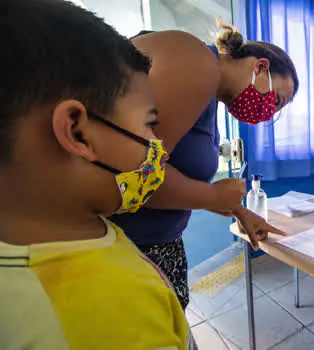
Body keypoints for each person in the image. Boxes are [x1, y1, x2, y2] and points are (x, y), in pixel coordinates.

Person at [0, 0, 194, 348]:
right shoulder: (113, 312)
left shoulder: (82, 227)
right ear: (77, 131)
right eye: (150, 124)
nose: (158, 149)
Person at [110, 22, 299, 309]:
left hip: (158, 243)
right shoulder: (194, 61)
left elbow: (167, 173)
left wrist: (237, 209)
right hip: (125, 247)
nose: (269, 112)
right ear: (260, 67)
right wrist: (213, 196)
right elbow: (135, 174)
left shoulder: (209, 102)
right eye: (277, 101)